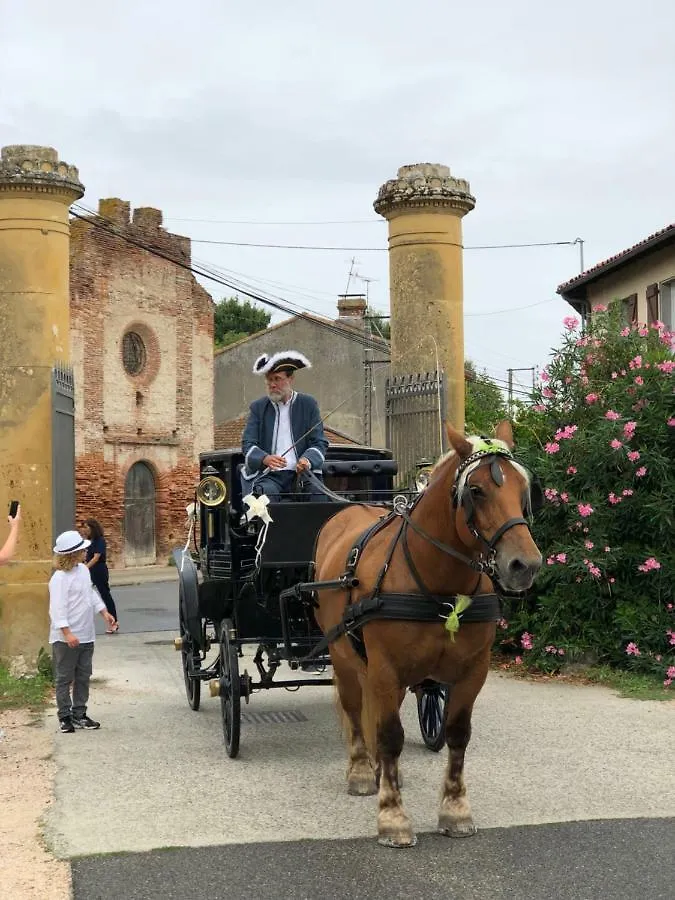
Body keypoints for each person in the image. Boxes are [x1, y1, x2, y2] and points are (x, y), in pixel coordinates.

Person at [49, 529, 116, 733]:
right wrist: (67, 632)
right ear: (71, 554)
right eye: (81, 550)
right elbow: (57, 608)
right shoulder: (59, 579)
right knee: (64, 677)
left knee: (83, 675)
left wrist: (104, 612)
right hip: (66, 638)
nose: (85, 552)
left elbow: (91, 594)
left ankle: (80, 713)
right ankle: (65, 716)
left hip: (86, 635)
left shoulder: (83, 571)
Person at [240, 350, 329, 501]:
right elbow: (248, 444)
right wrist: (265, 458)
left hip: (303, 474)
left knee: (318, 497)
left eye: (277, 379)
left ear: (290, 378)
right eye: (269, 380)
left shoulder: (308, 404)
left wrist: (307, 460)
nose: (272, 384)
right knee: (263, 496)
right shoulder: (258, 407)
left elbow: (319, 442)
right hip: (269, 475)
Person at [82, 518, 119, 633]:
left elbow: (96, 557)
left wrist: (85, 568)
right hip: (89, 570)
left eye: (87, 527)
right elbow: (86, 555)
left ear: (93, 528)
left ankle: (114, 622)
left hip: (98, 570)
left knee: (105, 595)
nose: (85, 530)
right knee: (83, 592)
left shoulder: (100, 540)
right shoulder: (89, 541)